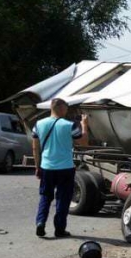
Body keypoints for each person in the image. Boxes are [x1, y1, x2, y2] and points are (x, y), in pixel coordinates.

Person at [32, 98, 89, 238]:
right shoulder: (70, 125)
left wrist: (37, 166)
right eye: (66, 107)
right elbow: (84, 143)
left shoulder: (38, 124)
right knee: (63, 199)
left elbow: (35, 147)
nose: (67, 110)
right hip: (65, 168)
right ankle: (59, 229)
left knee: (45, 196)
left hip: (46, 167)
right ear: (62, 108)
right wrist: (84, 125)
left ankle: (40, 222)